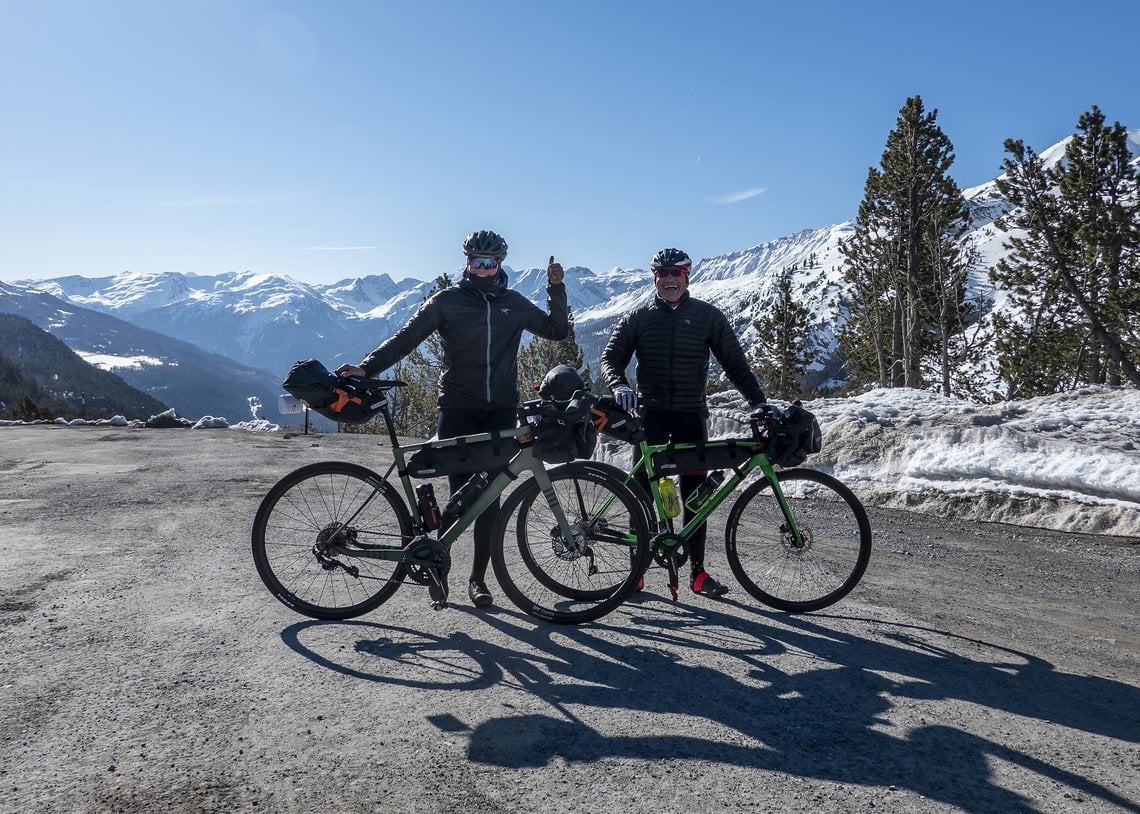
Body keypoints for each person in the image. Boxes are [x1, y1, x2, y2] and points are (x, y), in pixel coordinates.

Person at [336, 229, 569, 608]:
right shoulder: (447, 301)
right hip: (458, 408)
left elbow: (558, 331)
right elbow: (406, 338)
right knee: (460, 496)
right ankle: (436, 569)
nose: (481, 269)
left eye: (488, 263)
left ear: (499, 265)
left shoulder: (513, 302)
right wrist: (367, 367)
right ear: (467, 262)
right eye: (475, 261)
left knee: (489, 499)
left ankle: (478, 580)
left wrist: (556, 290)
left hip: (500, 411)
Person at [600, 247, 769, 598]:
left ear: (687, 275)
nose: (669, 279)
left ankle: (697, 573)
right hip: (652, 418)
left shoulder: (708, 317)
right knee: (642, 496)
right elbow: (610, 359)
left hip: (693, 416)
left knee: (696, 498)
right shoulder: (639, 317)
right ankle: (637, 571)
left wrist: (759, 403)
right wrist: (618, 386)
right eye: (662, 273)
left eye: (676, 273)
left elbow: (735, 365)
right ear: (654, 277)